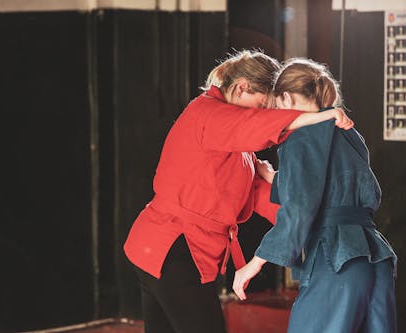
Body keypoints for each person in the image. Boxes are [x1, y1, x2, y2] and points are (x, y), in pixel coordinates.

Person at [123, 50, 354, 333]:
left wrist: (315, 224)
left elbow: (257, 193)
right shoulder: (208, 114)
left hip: (164, 249)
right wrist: (320, 116)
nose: (265, 114)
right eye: (262, 105)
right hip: (172, 249)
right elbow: (254, 126)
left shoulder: (237, 144)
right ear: (242, 87)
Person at [232, 58, 397, 333]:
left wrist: (254, 264)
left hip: (336, 258)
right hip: (374, 257)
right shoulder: (348, 133)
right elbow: (329, 184)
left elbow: (299, 207)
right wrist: (272, 177)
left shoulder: (301, 137)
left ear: (284, 98)